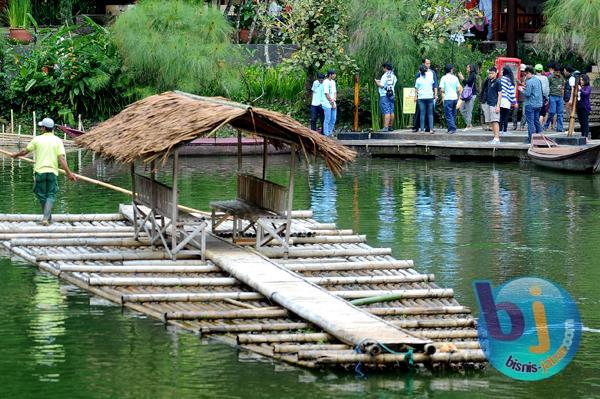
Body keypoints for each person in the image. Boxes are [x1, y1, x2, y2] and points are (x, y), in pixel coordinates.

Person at [10, 118, 77, 225]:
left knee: (41, 194)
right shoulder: (57, 140)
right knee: (50, 195)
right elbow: (62, 159)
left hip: (40, 172)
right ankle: (48, 218)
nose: (40, 128)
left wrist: (16, 155)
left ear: (44, 128)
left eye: (41, 127)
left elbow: (24, 151)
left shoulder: (37, 139)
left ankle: (45, 218)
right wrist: (69, 173)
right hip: (52, 172)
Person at [412, 58, 438, 132]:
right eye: (427, 63)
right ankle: (417, 127)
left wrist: (436, 94)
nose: (428, 65)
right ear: (423, 64)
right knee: (421, 112)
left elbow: (435, 85)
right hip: (427, 96)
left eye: (429, 63)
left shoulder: (432, 73)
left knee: (425, 113)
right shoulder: (419, 74)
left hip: (423, 96)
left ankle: (426, 128)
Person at [522, 66, 544, 143]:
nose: (525, 76)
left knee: (530, 122)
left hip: (530, 104)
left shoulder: (529, 82)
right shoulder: (538, 80)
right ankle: (541, 138)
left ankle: (531, 140)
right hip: (538, 104)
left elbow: (527, 94)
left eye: (525, 74)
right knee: (536, 121)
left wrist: (522, 90)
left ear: (528, 73)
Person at [439, 64, 462, 134]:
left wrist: (446, 91)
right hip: (454, 98)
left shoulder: (443, 78)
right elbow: (458, 88)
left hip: (448, 98)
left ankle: (452, 129)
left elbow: (442, 89)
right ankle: (450, 129)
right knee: (453, 114)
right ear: (451, 70)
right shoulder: (455, 78)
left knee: (448, 114)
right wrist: (453, 90)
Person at [375, 63, 397, 132]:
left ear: (385, 68)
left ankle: (386, 127)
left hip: (384, 95)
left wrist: (377, 82)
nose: (383, 69)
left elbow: (381, 85)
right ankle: (390, 127)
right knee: (391, 111)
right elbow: (393, 84)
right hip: (391, 95)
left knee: (386, 111)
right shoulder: (393, 76)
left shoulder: (385, 76)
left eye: (383, 68)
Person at [481, 67, 501, 144]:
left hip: (494, 104)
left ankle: (497, 138)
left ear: (496, 73)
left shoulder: (498, 82)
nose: (490, 75)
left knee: (495, 121)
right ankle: (494, 138)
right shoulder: (489, 81)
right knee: (491, 122)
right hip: (488, 103)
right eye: (489, 73)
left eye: (492, 73)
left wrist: (498, 106)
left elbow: (500, 94)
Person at [544, 63, 565, 132]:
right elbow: (547, 87)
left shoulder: (561, 77)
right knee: (552, 112)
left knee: (560, 113)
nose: (558, 73)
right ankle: (546, 125)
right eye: (557, 72)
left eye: (559, 72)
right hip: (552, 96)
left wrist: (562, 92)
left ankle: (560, 128)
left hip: (560, 97)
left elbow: (563, 86)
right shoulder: (550, 77)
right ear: (554, 71)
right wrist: (547, 97)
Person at [458, 63, 477, 131]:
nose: (467, 68)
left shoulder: (473, 75)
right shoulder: (470, 75)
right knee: (461, 108)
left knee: (469, 110)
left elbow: (468, 83)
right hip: (467, 95)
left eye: (468, 67)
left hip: (470, 95)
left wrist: (462, 78)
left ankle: (468, 126)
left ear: (471, 68)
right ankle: (469, 124)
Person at [499, 66, 516, 135]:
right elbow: (512, 92)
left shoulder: (500, 79)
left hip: (500, 100)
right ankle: (505, 131)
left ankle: (500, 130)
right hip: (507, 100)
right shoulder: (510, 80)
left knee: (501, 116)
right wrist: (514, 102)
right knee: (506, 116)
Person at [322, 69, 337, 137]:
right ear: (330, 75)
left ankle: (330, 132)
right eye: (334, 74)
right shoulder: (325, 82)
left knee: (333, 119)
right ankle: (326, 134)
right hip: (327, 103)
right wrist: (332, 103)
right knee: (327, 119)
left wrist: (334, 99)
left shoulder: (333, 82)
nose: (335, 75)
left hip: (333, 102)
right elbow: (326, 94)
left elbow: (335, 92)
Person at [576, 74, 592, 140]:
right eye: (580, 80)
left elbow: (586, 93)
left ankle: (585, 136)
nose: (581, 81)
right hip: (579, 107)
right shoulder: (579, 87)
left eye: (582, 80)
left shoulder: (588, 87)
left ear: (586, 80)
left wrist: (580, 89)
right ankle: (583, 135)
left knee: (585, 122)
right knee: (581, 122)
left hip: (585, 107)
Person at [513, 63, 527, 130]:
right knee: (515, 112)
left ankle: (522, 126)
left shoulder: (527, 77)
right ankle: (514, 125)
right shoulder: (516, 76)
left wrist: (520, 83)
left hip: (525, 98)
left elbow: (527, 86)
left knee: (524, 113)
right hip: (517, 97)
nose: (522, 72)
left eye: (523, 71)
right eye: (521, 71)